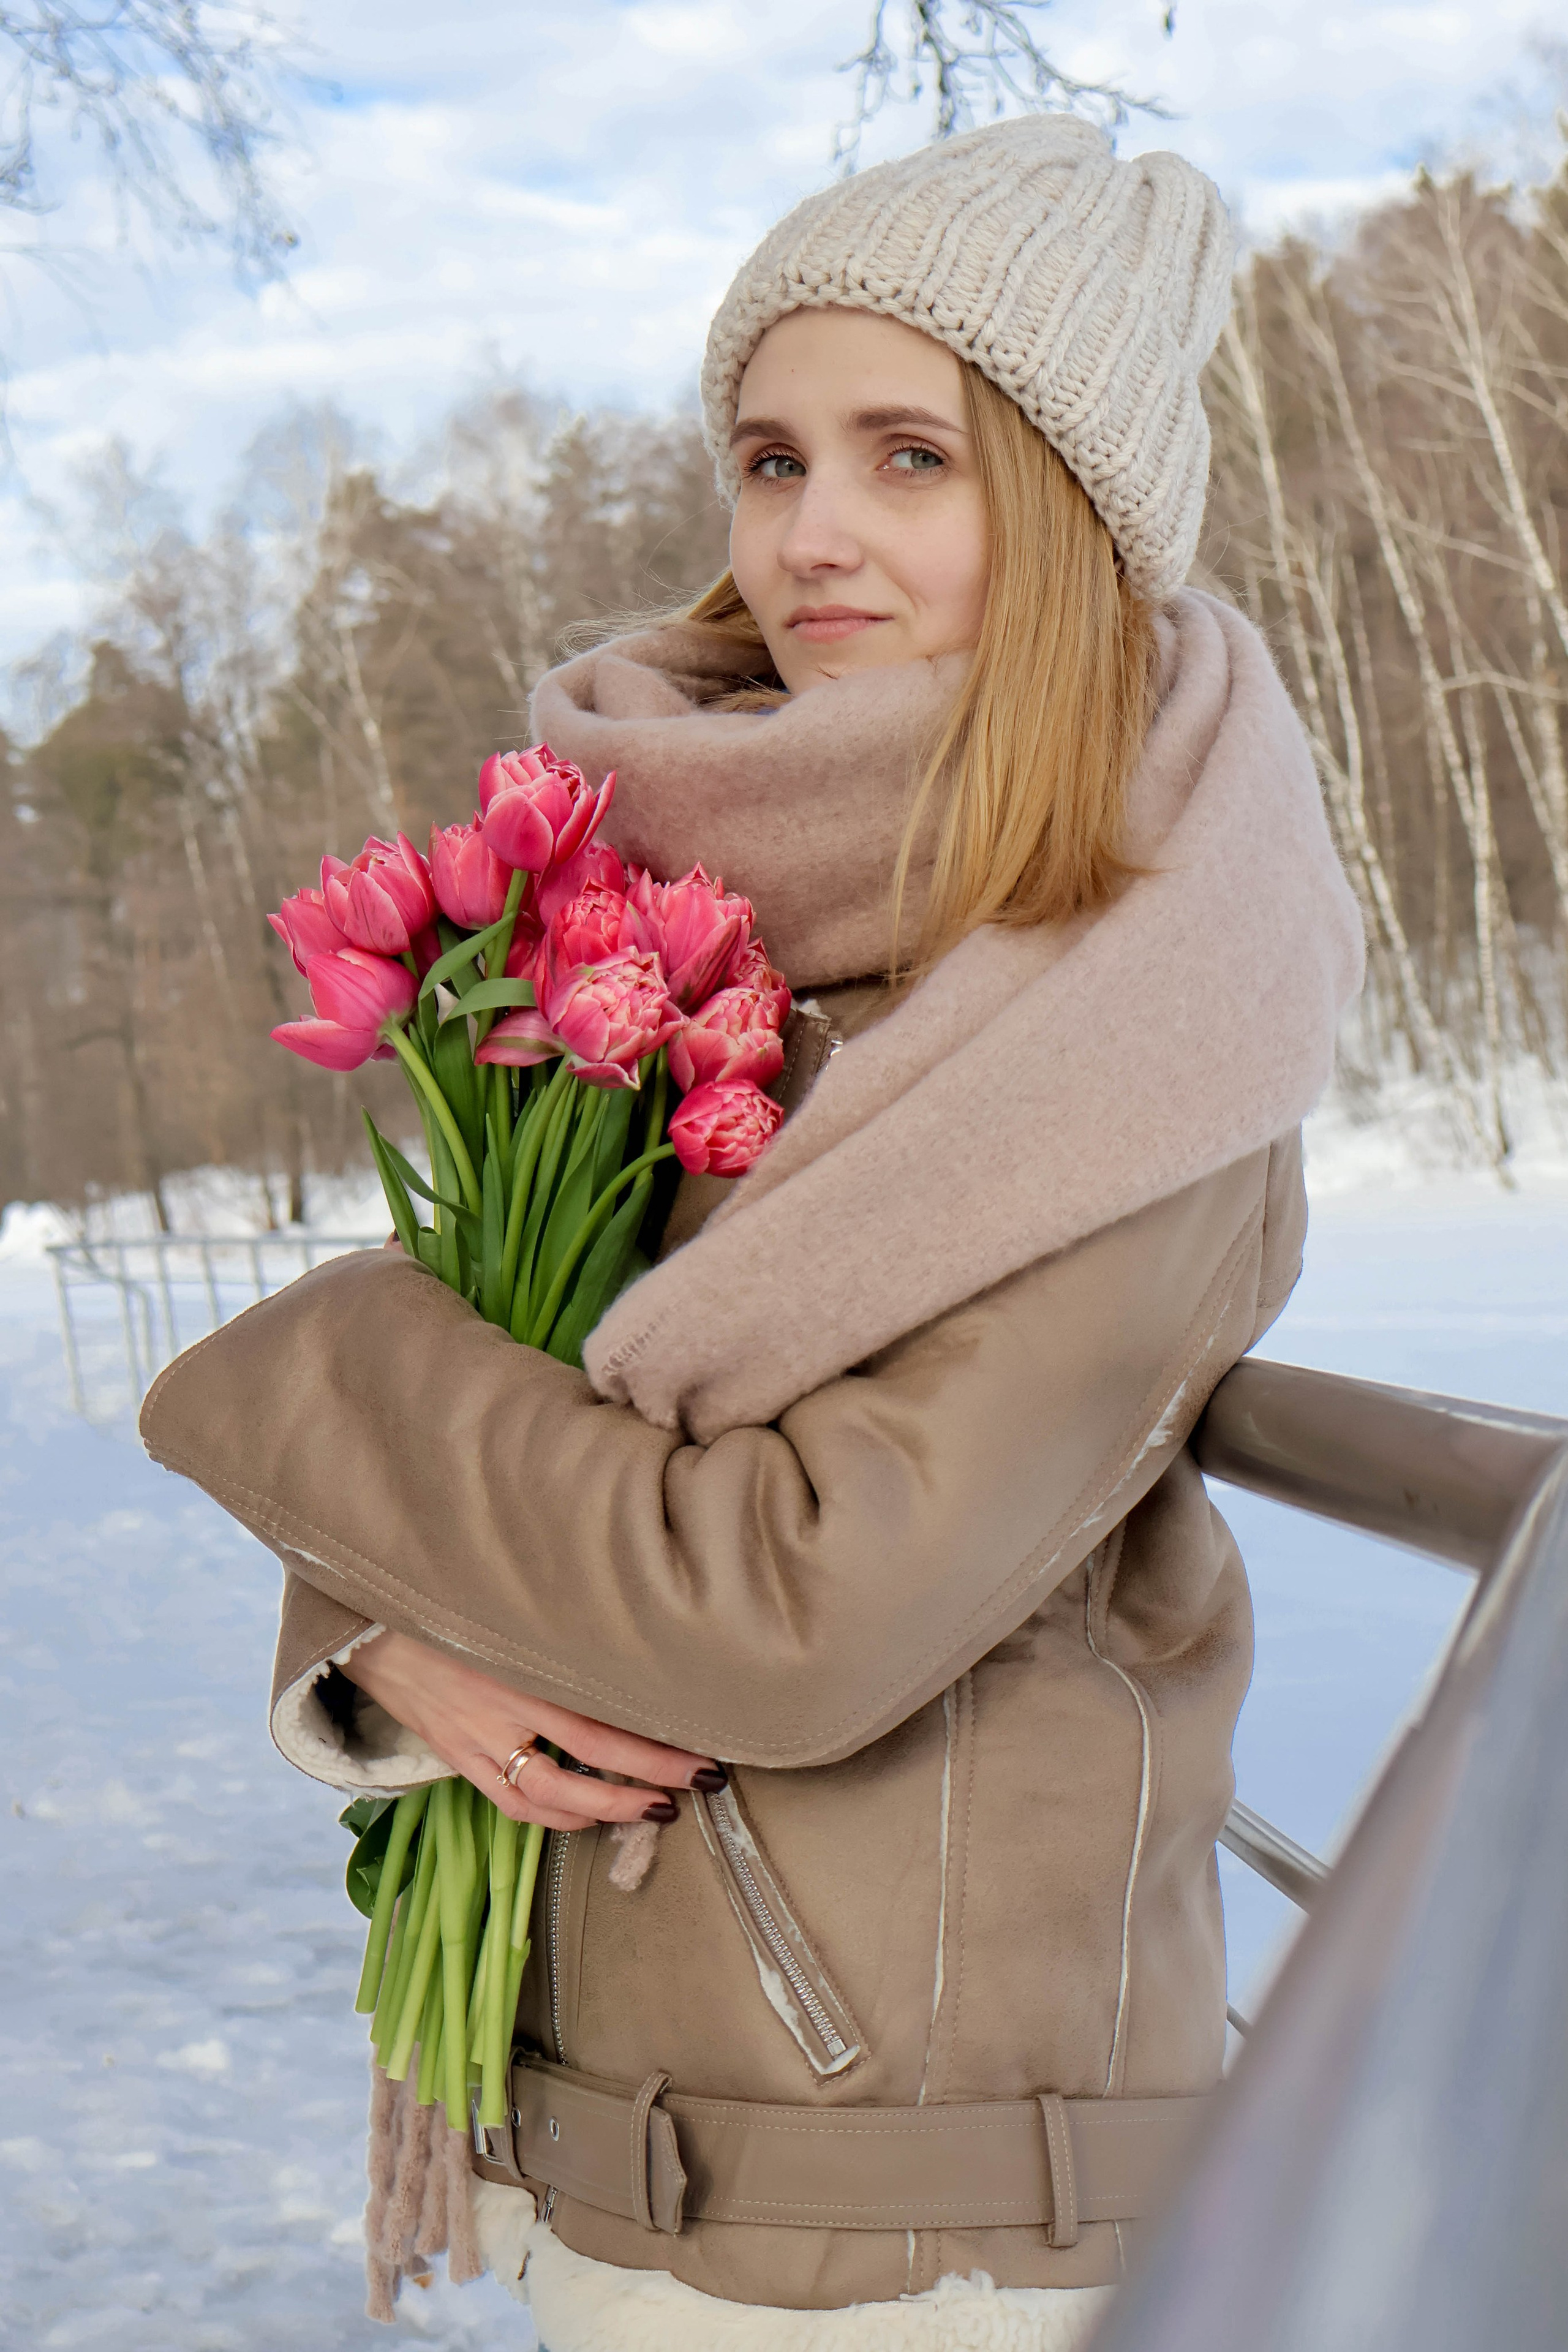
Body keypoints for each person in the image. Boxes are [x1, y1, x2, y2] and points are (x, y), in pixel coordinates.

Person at [141, 115, 1363, 2352]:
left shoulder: (1139, 1002)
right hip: (613, 2175)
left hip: (924, 2256)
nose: (815, 532)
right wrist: (386, 1638)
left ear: (1080, 516)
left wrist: (318, 1362)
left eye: (915, 455)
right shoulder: (669, 933)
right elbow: (522, 1429)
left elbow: (790, 1604)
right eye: (769, 455)